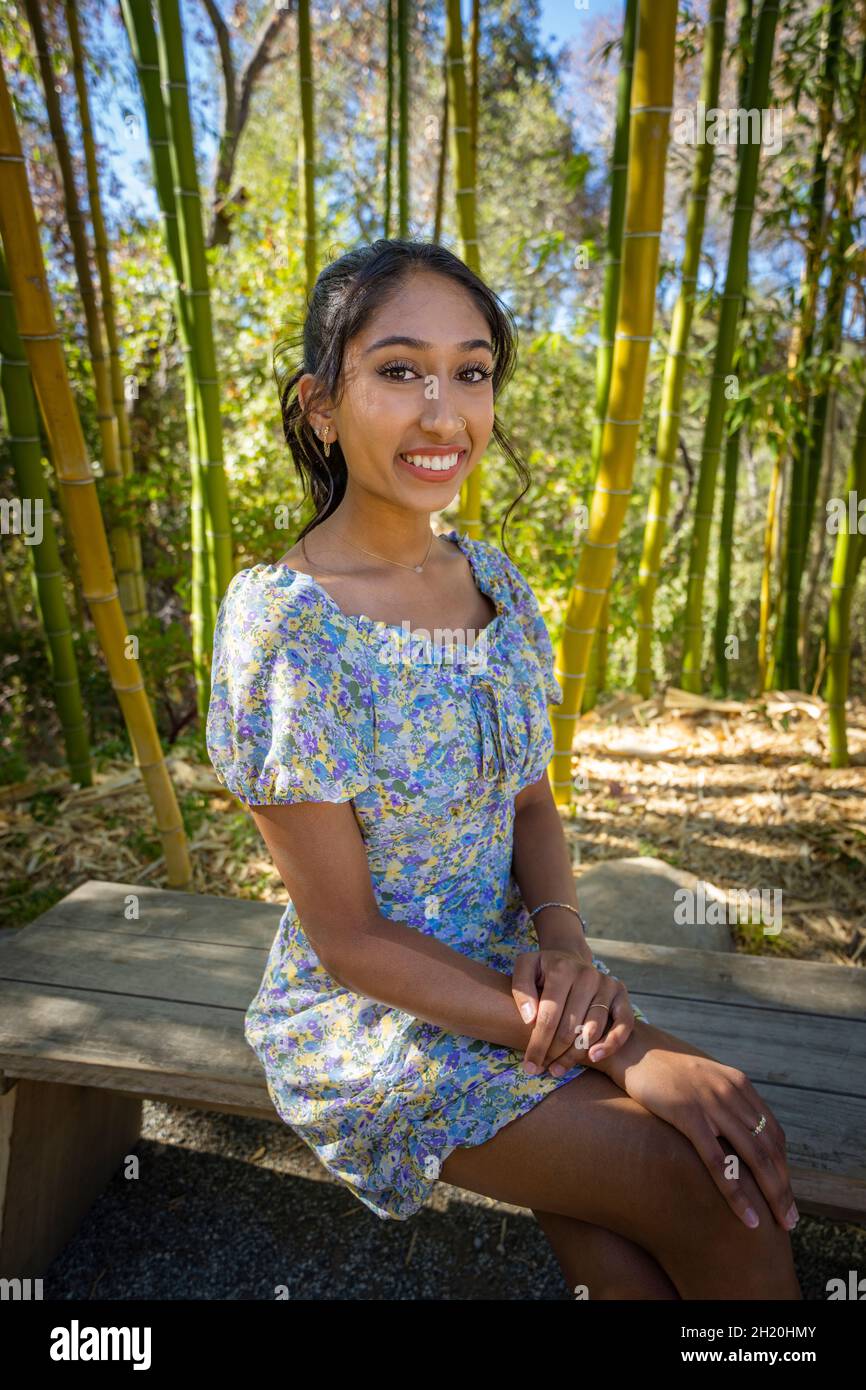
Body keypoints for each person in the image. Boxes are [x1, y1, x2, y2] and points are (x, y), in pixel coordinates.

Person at [206, 238, 802, 1300]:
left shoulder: (493, 581)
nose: (443, 414)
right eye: (398, 370)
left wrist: (565, 944)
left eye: (470, 371)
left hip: (521, 972)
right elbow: (347, 941)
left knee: (656, 1210)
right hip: (373, 1017)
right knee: (708, 1178)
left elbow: (530, 801)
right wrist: (612, 1045)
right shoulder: (284, 628)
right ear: (319, 405)